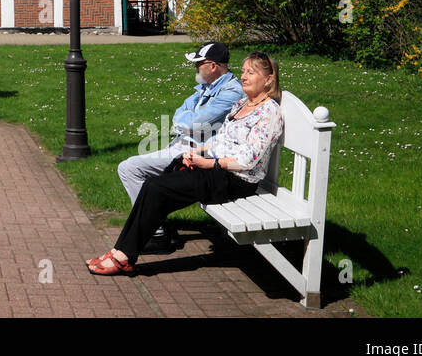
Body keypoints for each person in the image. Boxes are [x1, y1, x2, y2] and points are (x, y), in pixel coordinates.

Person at [86, 52, 284, 276]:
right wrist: (196, 152)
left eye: (251, 72)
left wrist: (208, 163)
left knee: (155, 188)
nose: (244, 77)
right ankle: (122, 251)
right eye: (244, 71)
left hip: (234, 180)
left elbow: (247, 160)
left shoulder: (268, 112)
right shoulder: (241, 104)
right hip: (215, 169)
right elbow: (220, 140)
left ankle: (123, 255)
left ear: (268, 79)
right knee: (155, 185)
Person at [116, 42, 244, 251]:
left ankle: (157, 234)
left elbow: (195, 122)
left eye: (198, 64)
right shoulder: (207, 87)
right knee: (130, 168)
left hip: (195, 153)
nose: (195, 68)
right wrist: (186, 123)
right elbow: (180, 114)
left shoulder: (231, 92)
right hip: (182, 145)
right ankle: (157, 225)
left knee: (130, 169)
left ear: (212, 66)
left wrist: (187, 123)